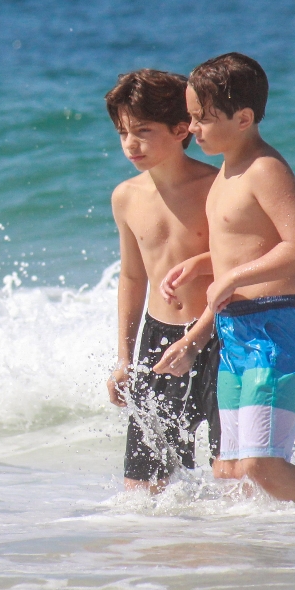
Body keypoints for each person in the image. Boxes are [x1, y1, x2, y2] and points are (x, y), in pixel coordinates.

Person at [159, 52, 295, 506]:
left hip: (280, 326)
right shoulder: (225, 175)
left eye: (202, 118)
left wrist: (229, 273)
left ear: (244, 118)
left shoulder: (264, 168)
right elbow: (245, 252)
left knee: (261, 464)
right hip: (236, 329)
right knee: (230, 470)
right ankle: (254, 561)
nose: (192, 128)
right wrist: (203, 272)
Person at [105, 70, 220, 492]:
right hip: (157, 339)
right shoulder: (126, 197)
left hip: (218, 332)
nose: (130, 144)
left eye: (142, 131)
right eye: (122, 133)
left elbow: (240, 262)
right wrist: (124, 358)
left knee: (233, 473)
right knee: (142, 487)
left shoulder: (215, 187)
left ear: (180, 129)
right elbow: (133, 277)